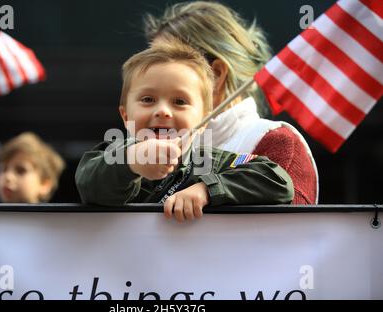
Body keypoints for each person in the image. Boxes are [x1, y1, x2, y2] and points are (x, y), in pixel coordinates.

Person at [75, 40, 294, 222]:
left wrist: (206, 190)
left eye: (179, 101)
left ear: (204, 121)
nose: (162, 110)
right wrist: (132, 161)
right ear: (125, 116)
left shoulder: (211, 163)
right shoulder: (110, 155)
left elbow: (279, 181)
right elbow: (89, 184)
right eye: (148, 99)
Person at [143, 1, 318, 204]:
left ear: (216, 74)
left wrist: (209, 190)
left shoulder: (279, 143)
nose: (150, 78)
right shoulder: (151, 150)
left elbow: (290, 233)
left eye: (166, 66)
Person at [0, 105, 65, 203]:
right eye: (3, 169)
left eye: (21, 171)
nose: (8, 177)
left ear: (44, 184)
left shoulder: (53, 220)